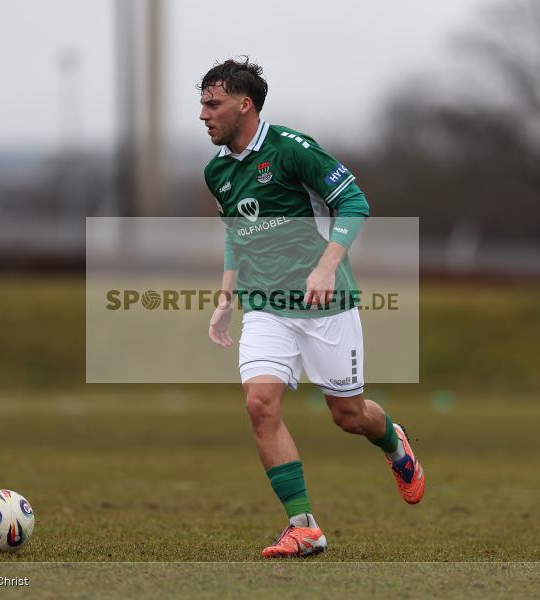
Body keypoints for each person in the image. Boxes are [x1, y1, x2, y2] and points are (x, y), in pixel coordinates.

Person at [200, 57, 424, 558]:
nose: (203, 114)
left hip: (327, 304)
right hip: (265, 305)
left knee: (348, 416)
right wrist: (226, 297)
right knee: (260, 405)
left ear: (244, 105)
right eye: (202, 104)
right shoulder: (218, 171)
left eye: (213, 104)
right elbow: (237, 233)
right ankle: (304, 527)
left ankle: (393, 442)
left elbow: (355, 202)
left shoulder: (292, 150)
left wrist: (325, 267)